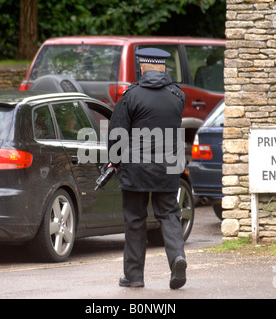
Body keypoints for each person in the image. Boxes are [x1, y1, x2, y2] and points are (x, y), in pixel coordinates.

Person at [108, 48, 187, 289]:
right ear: (163, 68)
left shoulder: (130, 96)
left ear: (142, 68)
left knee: (135, 220)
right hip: (168, 166)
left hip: (136, 168)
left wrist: (114, 159)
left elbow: (117, 131)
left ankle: (134, 276)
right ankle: (177, 258)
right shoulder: (177, 96)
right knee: (170, 214)